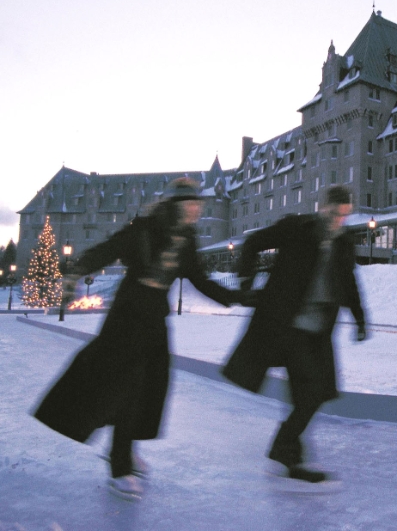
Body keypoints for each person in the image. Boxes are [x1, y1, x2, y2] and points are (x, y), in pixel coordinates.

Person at [33, 178, 239, 500]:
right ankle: (120, 463)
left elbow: (198, 278)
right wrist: (76, 269)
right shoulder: (144, 228)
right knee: (126, 387)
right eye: (190, 205)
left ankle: (125, 448)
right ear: (175, 206)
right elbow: (109, 249)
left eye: (198, 205)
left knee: (150, 387)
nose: (197, 210)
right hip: (128, 317)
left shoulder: (187, 238)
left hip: (155, 317)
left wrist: (235, 296)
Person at [222, 185, 368, 484]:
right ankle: (285, 450)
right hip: (288, 327)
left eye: (343, 216)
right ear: (321, 207)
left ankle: (289, 448)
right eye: (333, 213)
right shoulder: (296, 228)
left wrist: (360, 318)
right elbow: (253, 243)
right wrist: (247, 280)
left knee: (317, 393)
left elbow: (349, 282)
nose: (337, 221)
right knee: (310, 391)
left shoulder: (344, 242)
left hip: (319, 330)